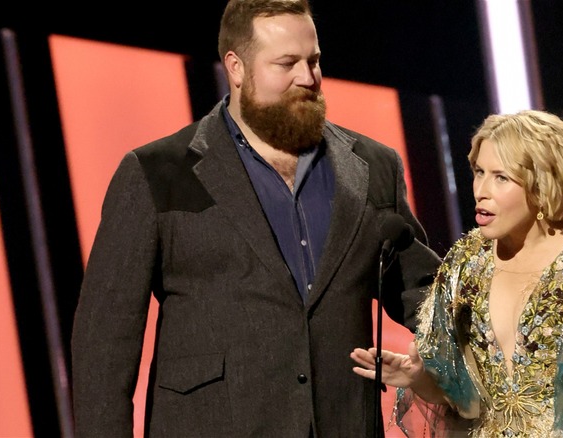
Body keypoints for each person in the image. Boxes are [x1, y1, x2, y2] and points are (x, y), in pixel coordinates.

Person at [70, 0, 442, 436]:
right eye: (287, 63)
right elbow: (103, 346)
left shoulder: (374, 166)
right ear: (237, 67)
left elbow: (428, 297)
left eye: (314, 61)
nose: (308, 78)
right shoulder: (157, 172)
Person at [351, 110, 563, 437]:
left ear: (543, 183)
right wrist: (418, 378)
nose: (481, 190)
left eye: (501, 177)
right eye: (479, 172)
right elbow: (464, 403)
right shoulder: (466, 261)